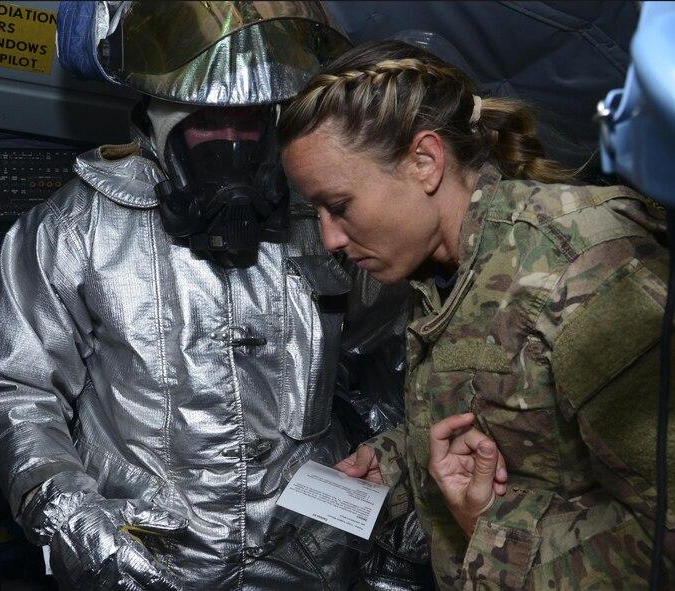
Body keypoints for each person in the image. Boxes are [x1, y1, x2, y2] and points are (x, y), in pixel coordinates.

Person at [0, 3, 416, 590]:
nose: (230, 144)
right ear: (160, 124)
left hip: (313, 557)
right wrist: (78, 525)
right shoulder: (74, 229)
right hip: (145, 561)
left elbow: (396, 361)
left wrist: (399, 526)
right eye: (207, 123)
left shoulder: (327, 220)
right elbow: (14, 391)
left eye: (249, 123)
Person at [279, 39, 675, 590]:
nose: (329, 239)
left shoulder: (589, 270)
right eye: (316, 211)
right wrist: (399, 465)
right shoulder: (449, 265)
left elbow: (665, 539)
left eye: (339, 206)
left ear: (425, 161)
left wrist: (489, 529)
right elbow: (514, 428)